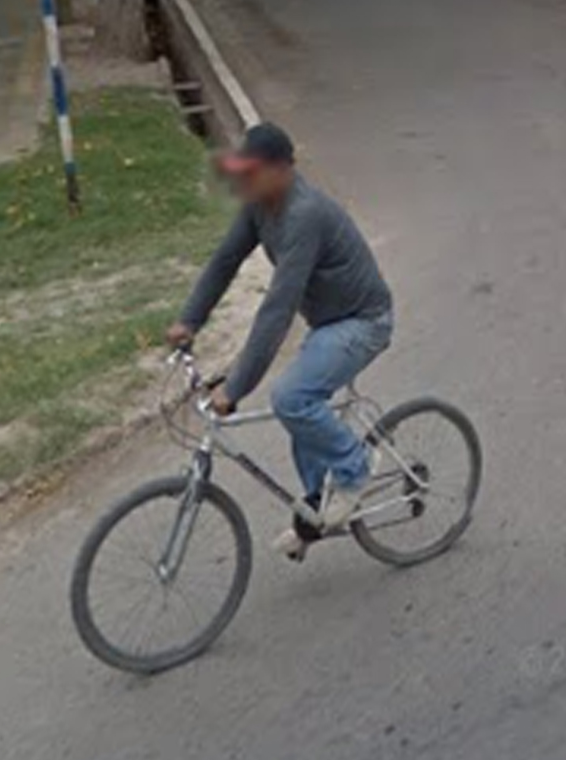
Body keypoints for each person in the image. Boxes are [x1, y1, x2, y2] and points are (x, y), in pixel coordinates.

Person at [168, 120, 396, 539]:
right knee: (300, 406)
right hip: (329, 322)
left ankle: (356, 467)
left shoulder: (303, 215)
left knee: (291, 397)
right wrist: (189, 320)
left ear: (282, 170)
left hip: (364, 321)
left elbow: (277, 310)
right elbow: (225, 261)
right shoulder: (260, 205)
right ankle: (318, 508)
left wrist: (234, 389)